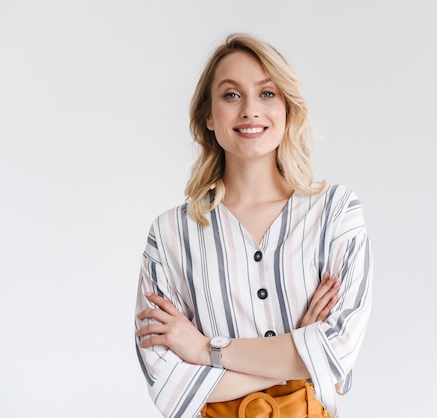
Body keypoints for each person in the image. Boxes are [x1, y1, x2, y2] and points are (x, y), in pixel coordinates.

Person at [134, 32, 373, 418]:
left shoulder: (335, 213)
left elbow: (336, 354)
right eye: (231, 95)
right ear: (208, 115)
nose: (250, 110)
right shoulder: (169, 235)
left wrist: (204, 350)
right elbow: (169, 388)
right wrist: (297, 355)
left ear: (287, 108)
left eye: (267, 93)